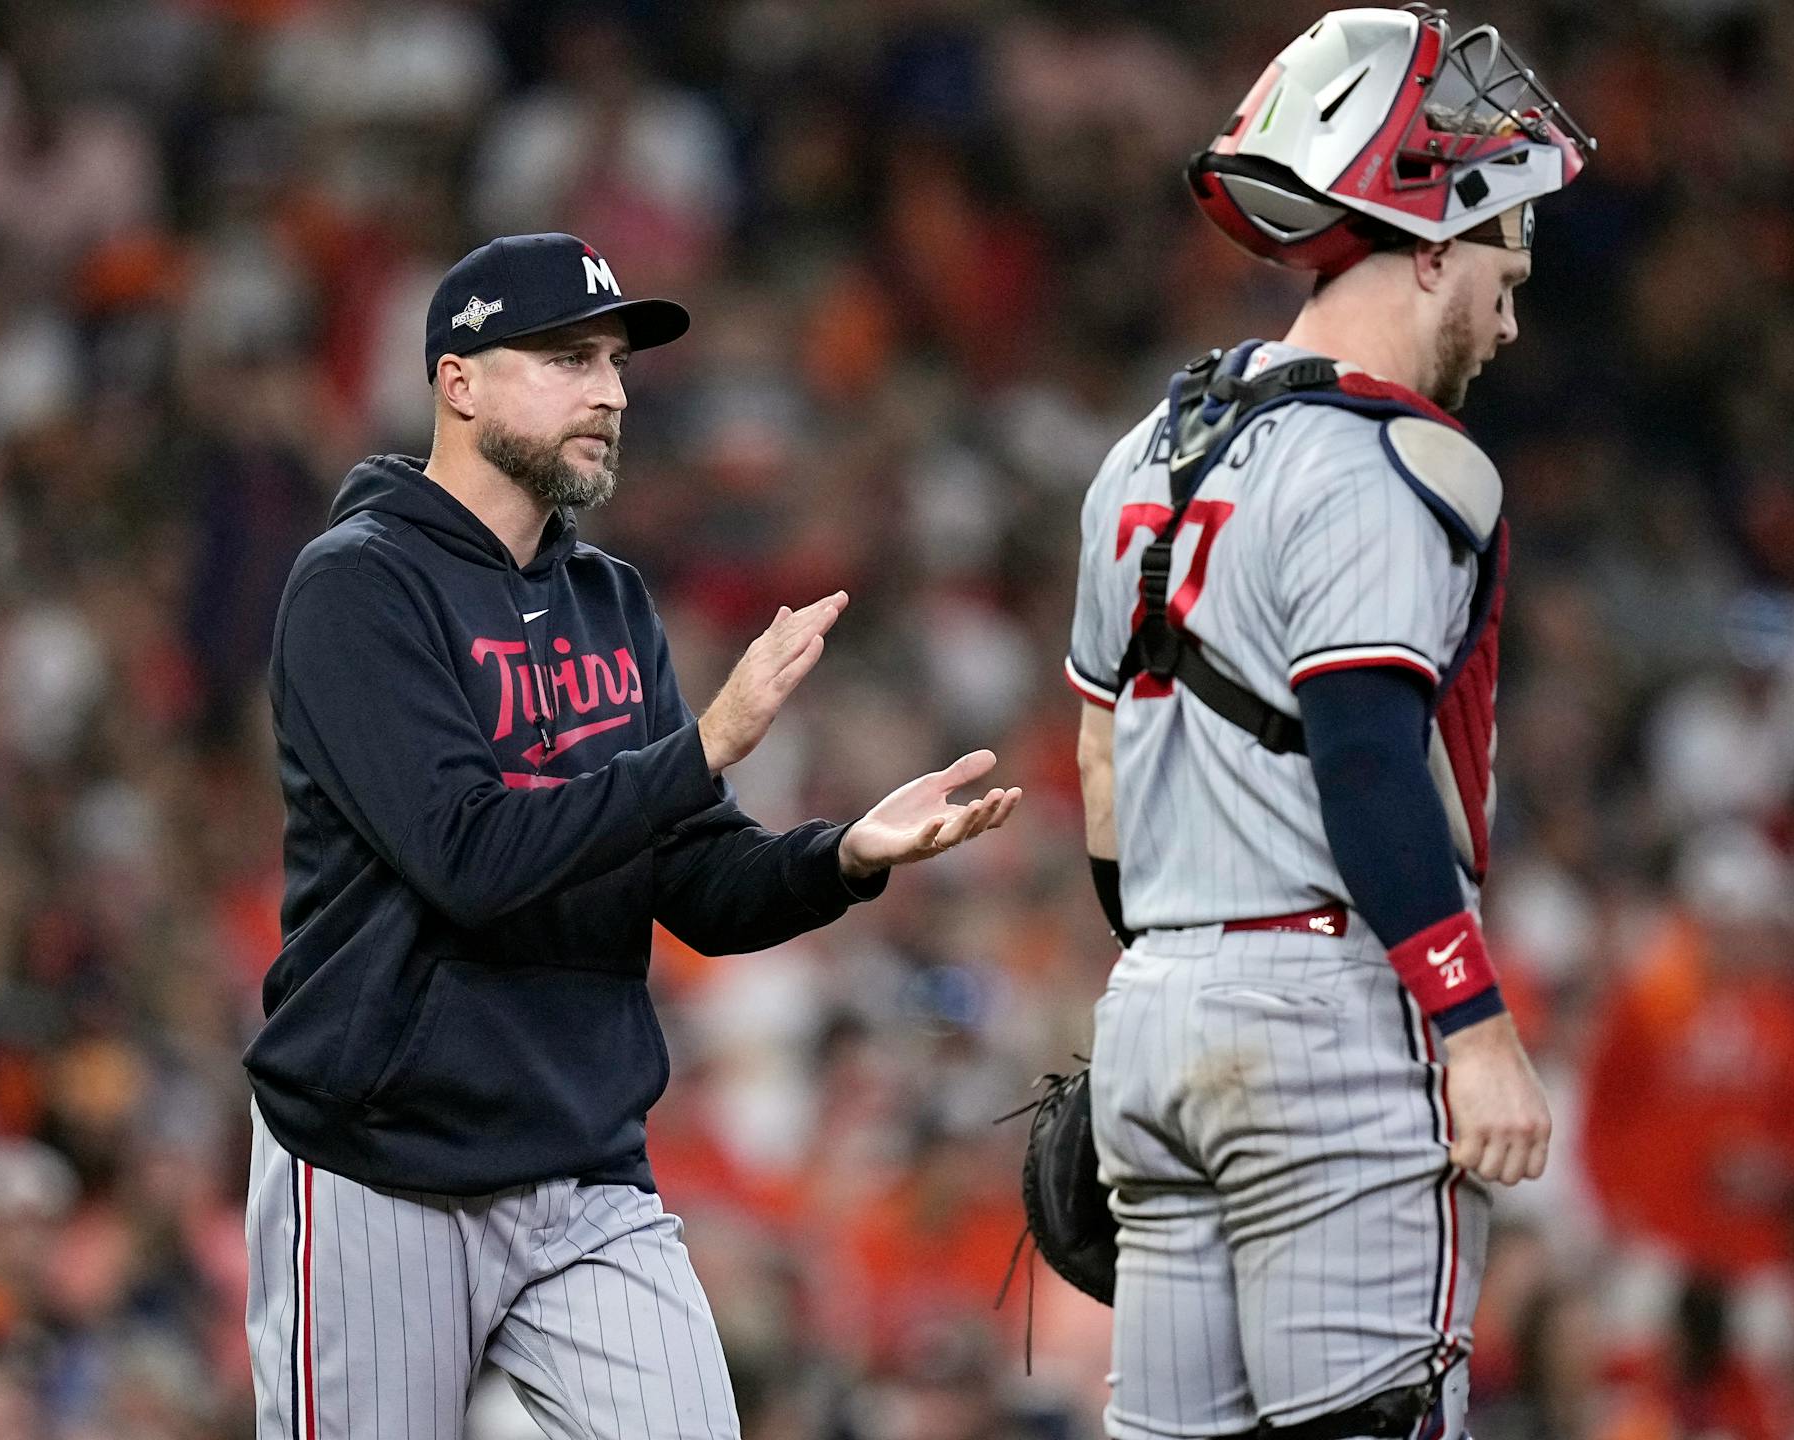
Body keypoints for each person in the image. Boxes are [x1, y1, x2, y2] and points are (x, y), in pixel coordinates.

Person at [241, 231, 1021, 1440]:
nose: (607, 389)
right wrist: (702, 745)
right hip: (376, 1162)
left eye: (613, 361)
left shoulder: (609, 599)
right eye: (564, 357)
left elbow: (695, 879)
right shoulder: (358, 586)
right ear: (459, 381)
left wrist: (844, 856)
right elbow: (469, 857)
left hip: (581, 1163)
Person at [1065, 9, 1593, 1438]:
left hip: (1156, 1012)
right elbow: (1365, 757)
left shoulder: (1143, 451)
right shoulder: (1408, 459)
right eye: (1499, 264)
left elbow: (1103, 761)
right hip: (1332, 1015)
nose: (1510, 312)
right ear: (1428, 248)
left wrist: (1178, 975)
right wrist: (1472, 1023)